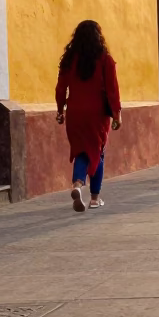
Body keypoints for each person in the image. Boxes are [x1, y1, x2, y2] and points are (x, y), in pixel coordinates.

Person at [55, 20, 122, 212]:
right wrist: (117, 113)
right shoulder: (105, 60)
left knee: (81, 151)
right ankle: (94, 198)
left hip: (74, 113)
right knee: (97, 150)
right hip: (97, 113)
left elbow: (61, 88)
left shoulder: (68, 60)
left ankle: (77, 184)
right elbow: (112, 90)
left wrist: (60, 110)